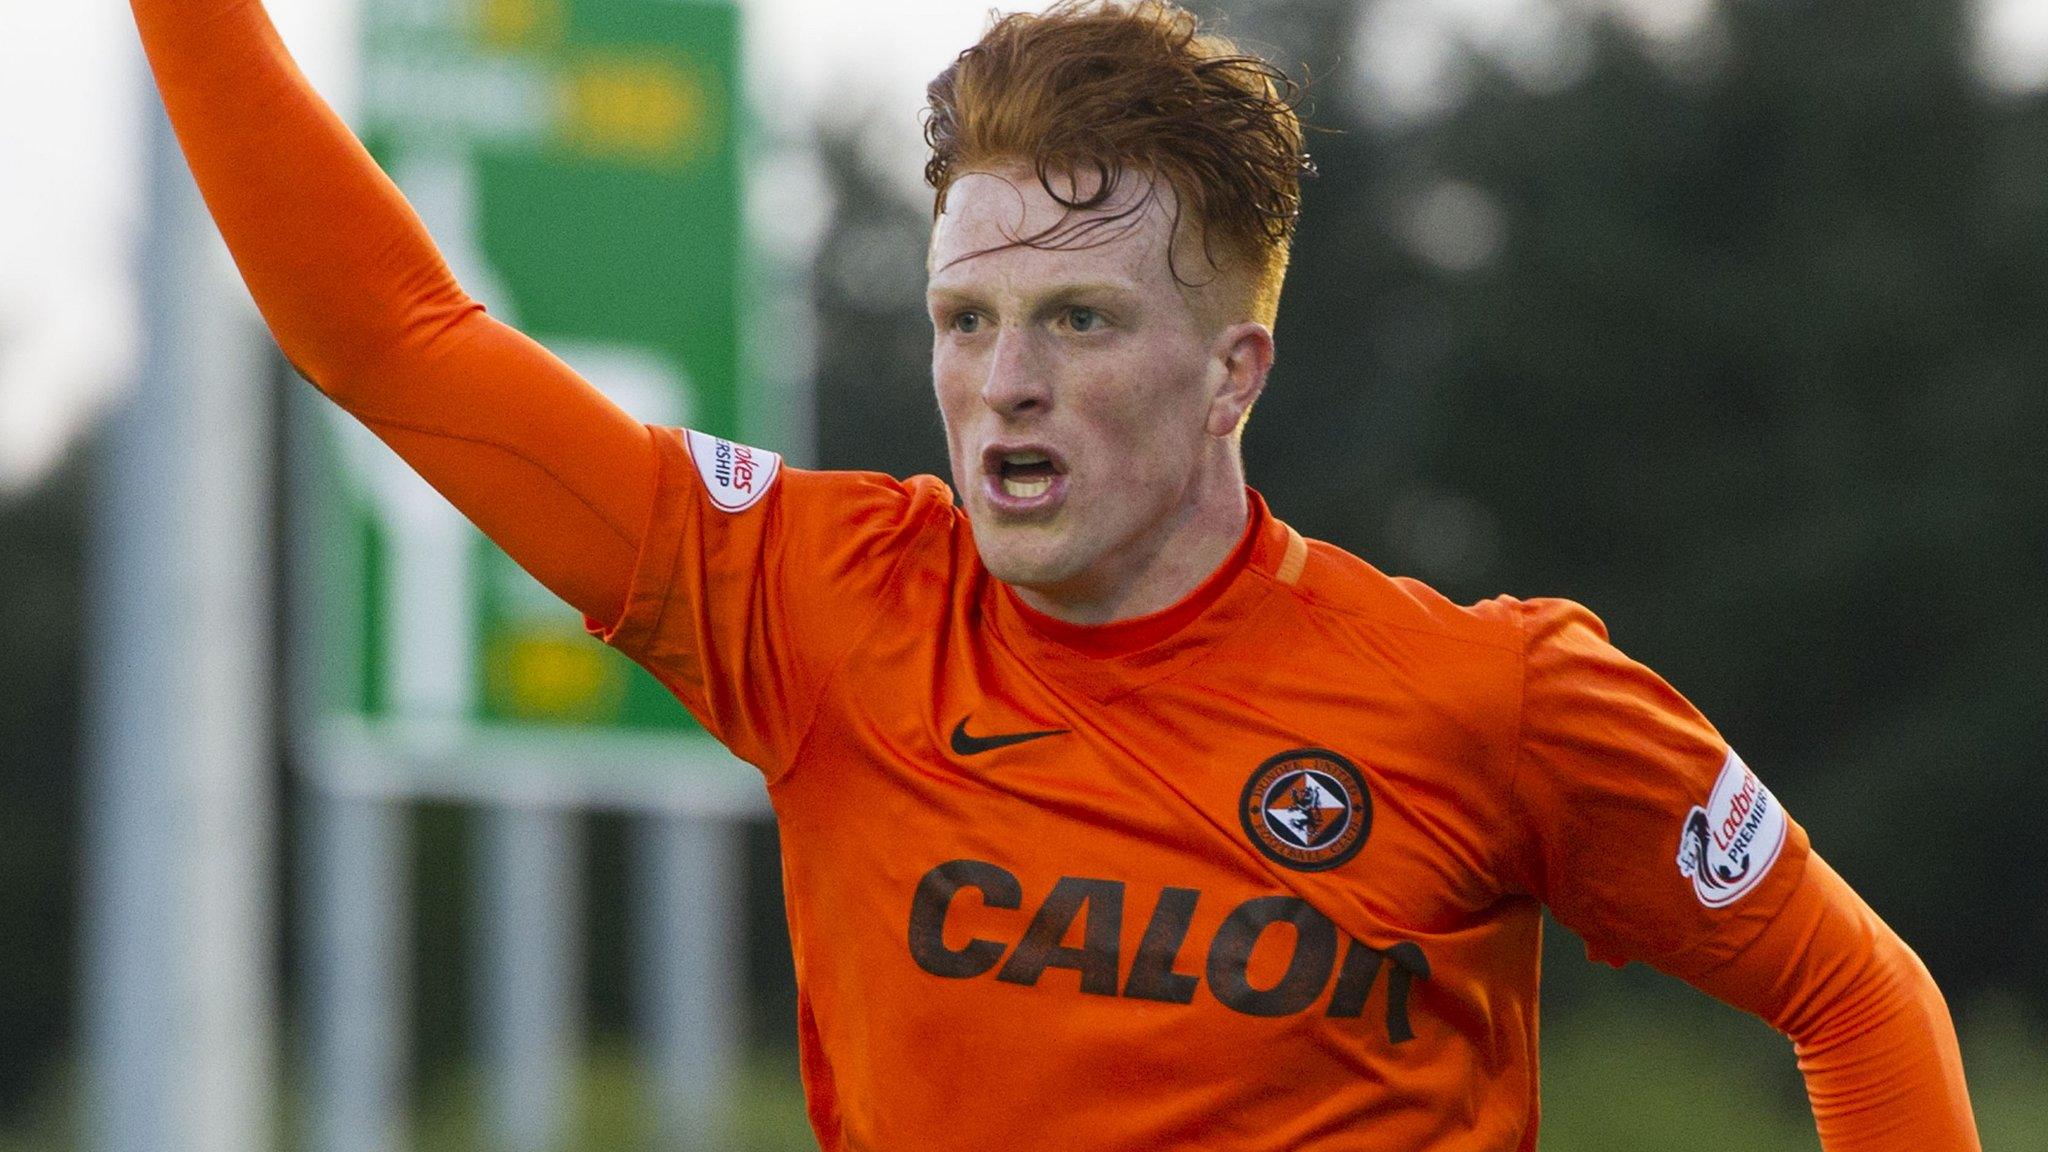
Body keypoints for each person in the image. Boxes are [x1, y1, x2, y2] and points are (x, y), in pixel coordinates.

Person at [130, 0, 1982, 1146]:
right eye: (967, 318)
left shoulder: (1492, 697)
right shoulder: (820, 601)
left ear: (1233, 371)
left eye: (1079, 319)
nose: (1002, 384)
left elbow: (1859, 1002)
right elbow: (391, 333)